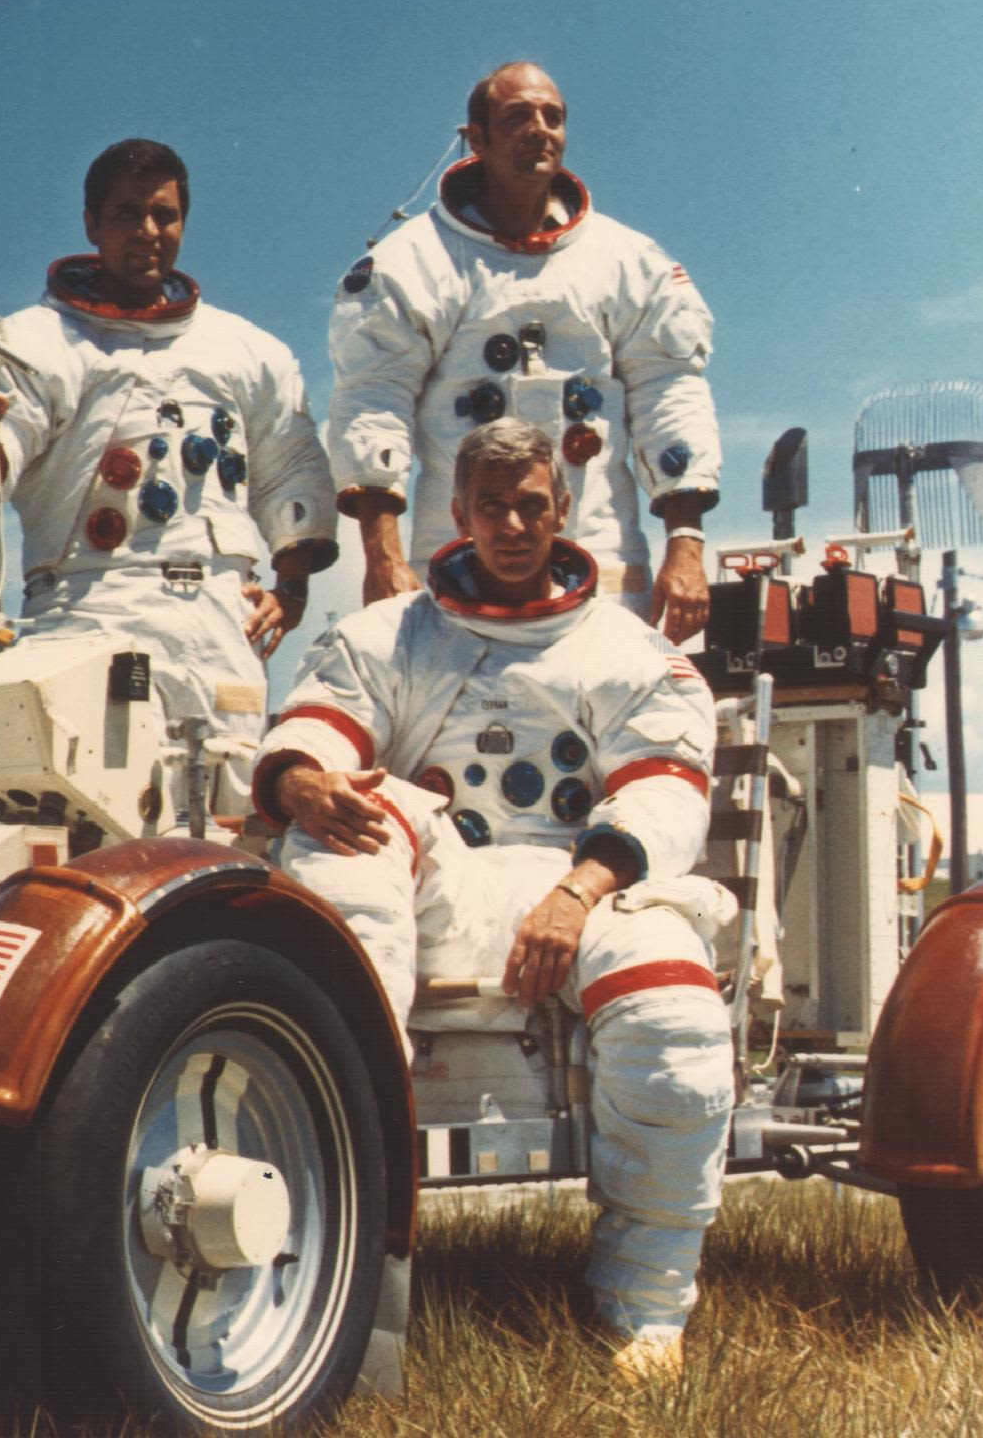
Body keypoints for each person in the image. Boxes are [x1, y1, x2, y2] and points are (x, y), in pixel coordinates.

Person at [253, 420, 732, 1378]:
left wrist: (579, 891)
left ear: (563, 511)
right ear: (459, 512)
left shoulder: (629, 648)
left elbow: (665, 790)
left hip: (586, 882)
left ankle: (643, 1312)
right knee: (349, 830)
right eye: (491, 506)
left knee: (674, 1022)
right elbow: (315, 727)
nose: (512, 525)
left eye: (532, 505)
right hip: (443, 876)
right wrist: (300, 778)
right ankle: (351, 1254)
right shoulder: (387, 633)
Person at [0, 138, 338, 804]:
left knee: (229, 811)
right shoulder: (34, 343)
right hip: (87, 609)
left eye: (164, 215)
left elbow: (291, 468)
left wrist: (288, 589)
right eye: (126, 214)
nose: (148, 232)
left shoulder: (247, 350)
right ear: (92, 224)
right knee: (94, 813)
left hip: (216, 623)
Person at [328, 61, 720, 641]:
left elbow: (671, 394)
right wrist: (382, 556)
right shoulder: (412, 261)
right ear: (477, 139)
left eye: (553, 117)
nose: (540, 130)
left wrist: (686, 546)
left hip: (600, 545)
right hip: (462, 548)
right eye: (518, 118)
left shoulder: (628, 262)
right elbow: (372, 400)